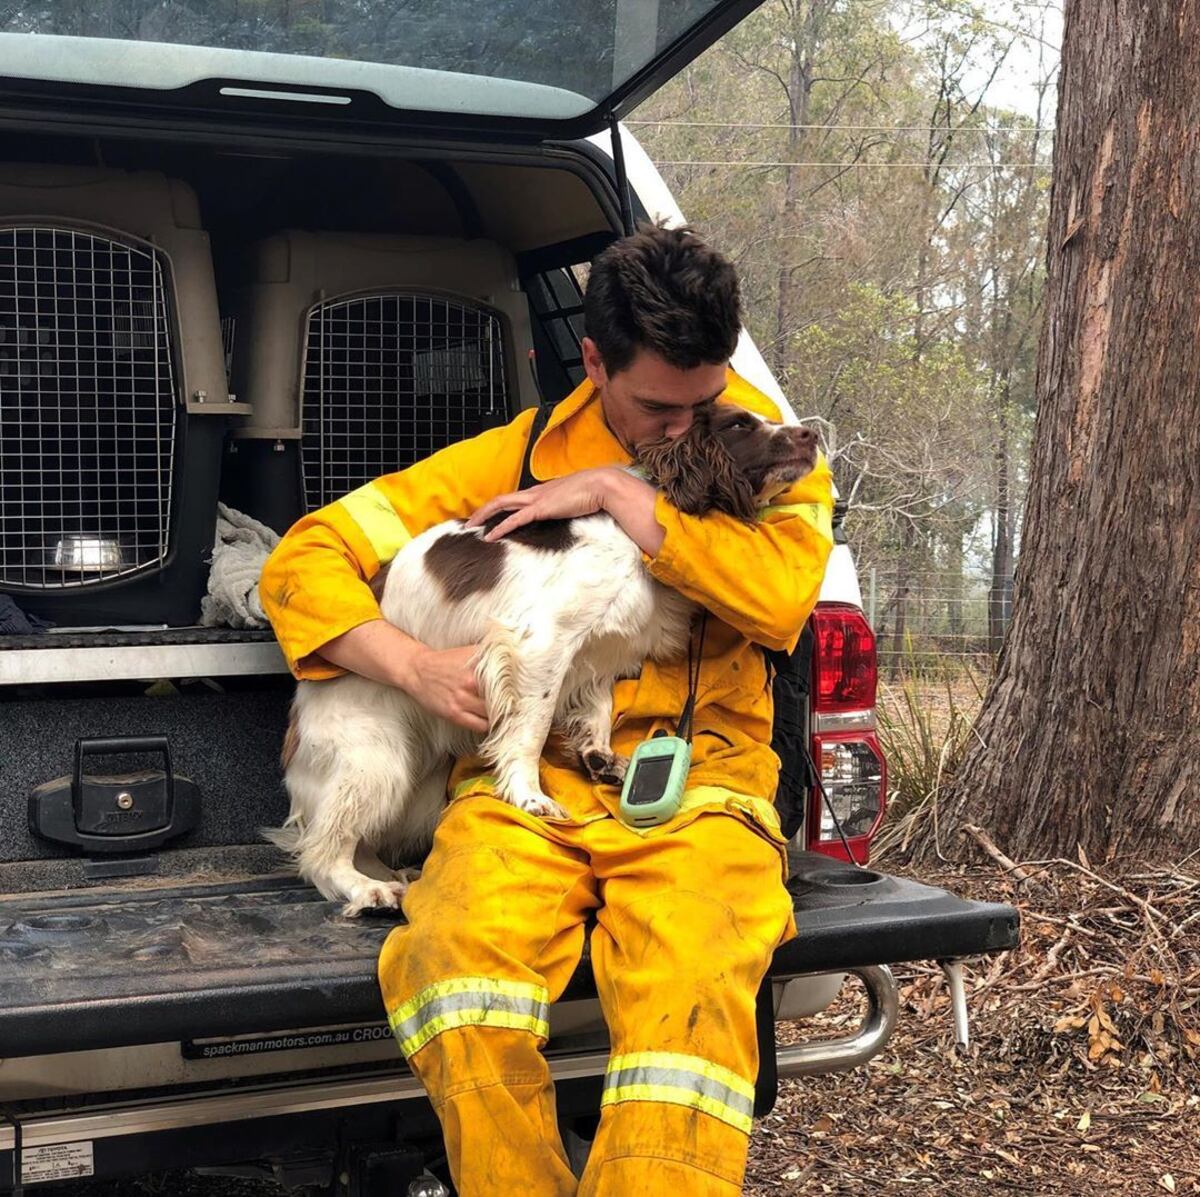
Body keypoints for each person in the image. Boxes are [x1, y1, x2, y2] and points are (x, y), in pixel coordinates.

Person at [260, 223, 834, 1196]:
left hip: (698, 794)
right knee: (454, 973)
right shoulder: (513, 457)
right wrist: (408, 665)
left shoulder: (767, 453)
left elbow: (777, 598)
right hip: (519, 792)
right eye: (658, 407)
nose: (687, 429)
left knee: (688, 1005)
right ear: (595, 359)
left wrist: (620, 489)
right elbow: (302, 558)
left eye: (706, 401)